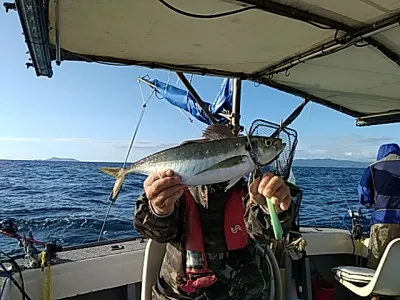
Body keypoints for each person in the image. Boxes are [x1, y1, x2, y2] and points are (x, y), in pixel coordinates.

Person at [134, 124, 298, 300]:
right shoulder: (174, 187)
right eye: (202, 151)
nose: (207, 154)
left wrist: (271, 209)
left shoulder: (250, 191)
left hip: (240, 293)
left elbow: (264, 233)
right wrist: (159, 210)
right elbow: (153, 231)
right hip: (179, 294)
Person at [358, 143, 400, 269]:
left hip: (382, 220)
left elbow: (363, 194)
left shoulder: (373, 168)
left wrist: (370, 202)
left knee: (376, 263)